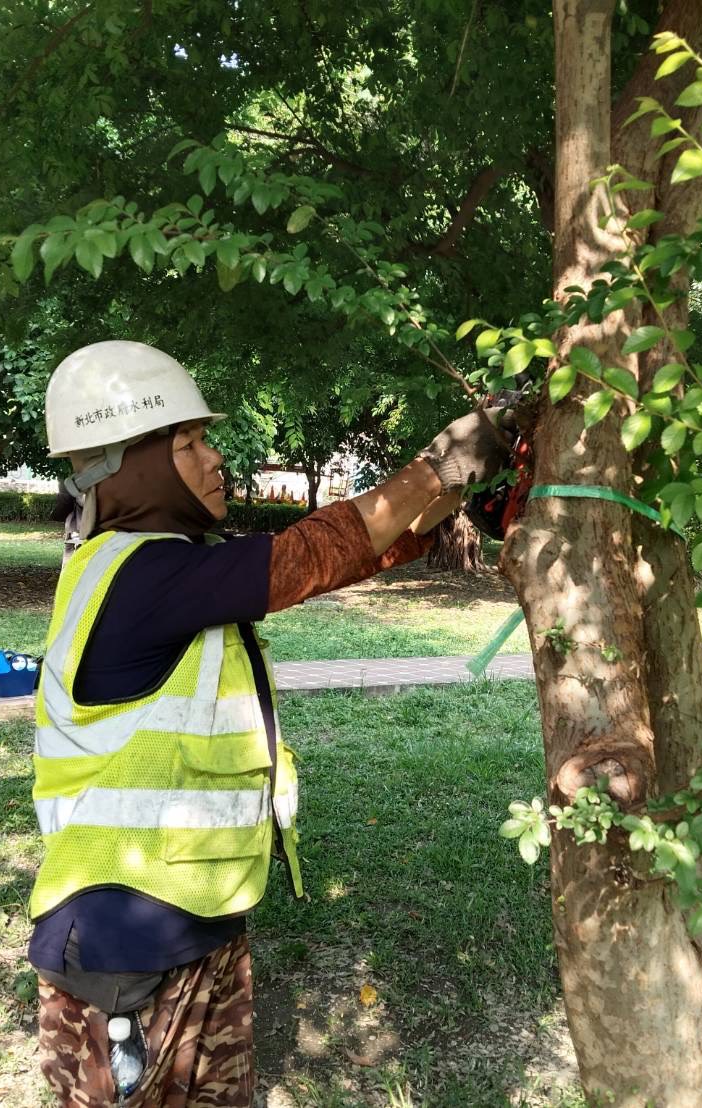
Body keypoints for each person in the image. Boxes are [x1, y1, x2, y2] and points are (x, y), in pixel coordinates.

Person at [29, 341, 508, 1107]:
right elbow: (307, 557)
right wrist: (437, 467)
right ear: (128, 467)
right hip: (127, 949)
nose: (216, 458)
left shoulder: (161, 565)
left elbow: (337, 557)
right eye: (188, 444)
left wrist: (452, 497)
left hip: (192, 922)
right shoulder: (139, 575)